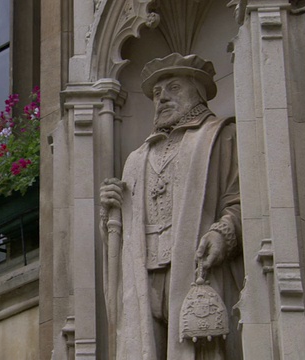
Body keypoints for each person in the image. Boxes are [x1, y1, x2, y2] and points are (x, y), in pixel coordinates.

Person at [100, 53, 243, 359]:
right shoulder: (137, 158)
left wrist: (222, 233)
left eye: (173, 88)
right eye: (156, 94)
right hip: (145, 277)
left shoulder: (219, 136)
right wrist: (112, 210)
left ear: (198, 92)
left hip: (196, 269)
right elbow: (123, 232)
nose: (162, 97)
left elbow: (240, 202)